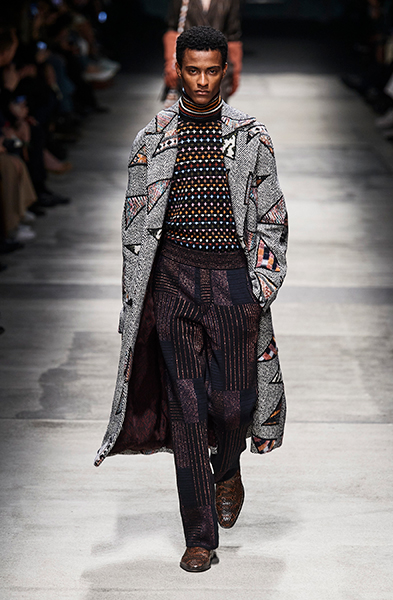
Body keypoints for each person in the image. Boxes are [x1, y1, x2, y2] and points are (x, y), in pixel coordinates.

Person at [95, 26, 288, 573]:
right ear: (177, 69)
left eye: (212, 70)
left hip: (232, 285)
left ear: (226, 70)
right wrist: (137, 298)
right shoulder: (151, 138)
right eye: (193, 70)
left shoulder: (252, 136)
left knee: (234, 405)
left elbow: (272, 215)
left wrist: (260, 286)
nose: (202, 81)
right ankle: (199, 535)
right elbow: (134, 226)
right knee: (185, 410)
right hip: (174, 281)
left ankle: (228, 468)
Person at [163, 0, 242, 103]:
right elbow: (173, 28)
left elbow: (233, 35)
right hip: (189, 62)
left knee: (216, 106)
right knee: (189, 106)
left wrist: (235, 71)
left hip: (217, 63)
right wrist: (170, 64)